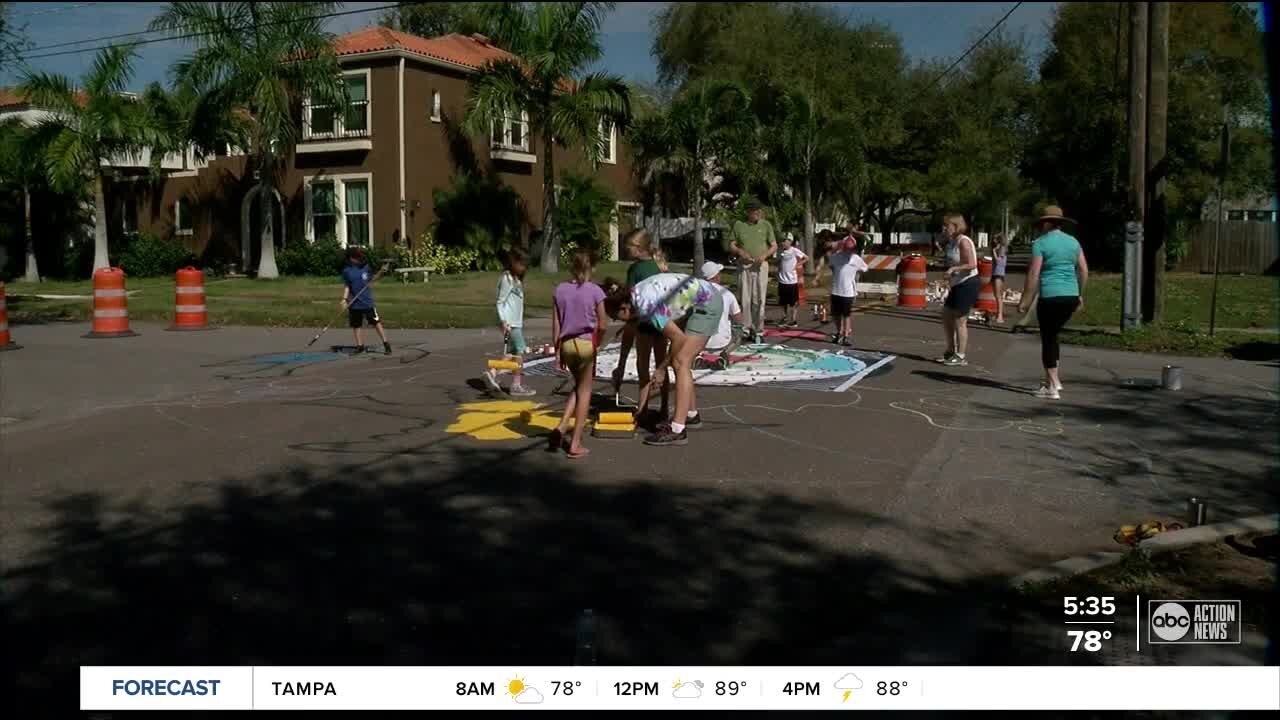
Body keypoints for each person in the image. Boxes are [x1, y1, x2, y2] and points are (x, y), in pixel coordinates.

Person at [603, 272, 724, 447]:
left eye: (615, 317)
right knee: (681, 361)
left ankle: (677, 430)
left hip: (707, 303)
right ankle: (690, 415)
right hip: (696, 301)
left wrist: (660, 369)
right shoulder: (635, 296)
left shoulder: (646, 305)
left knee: (680, 361)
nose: (616, 321)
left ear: (624, 308)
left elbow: (678, 338)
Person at [1018, 205, 1088, 400]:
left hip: (1050, 296)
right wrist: (1080, 294)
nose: (1040, 227)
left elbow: (1034, 274)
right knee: (1054, 336)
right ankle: (1052, 381)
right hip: (1070, 296)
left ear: (1047, 223)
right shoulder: (1073, 242)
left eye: (1042, 224)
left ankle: (1053, 386)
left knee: (1048, 339)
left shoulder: (1040, 243)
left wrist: (1026, 300)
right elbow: (1083, 270)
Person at [551, 251, 608, 458]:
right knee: (585, 392)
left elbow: (556, 322)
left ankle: (562, 426)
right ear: (591, 268)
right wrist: (598, 342)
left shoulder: (560, 290)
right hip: (585, 344)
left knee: (578, 386)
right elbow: (602, 323)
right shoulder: (595, 291)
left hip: (566, 344)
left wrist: (557, 350)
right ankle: (575, 443)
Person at [613, 229, 670, 422]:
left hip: (644, 321)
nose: (626, 250)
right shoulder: (659, 265)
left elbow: (630, 298)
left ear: (637, 248)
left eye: (628, 247)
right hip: (662, 320)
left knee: (643, 365)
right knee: (662, 363)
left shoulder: (635, 269)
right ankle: (664, 408)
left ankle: (643, 408)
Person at [727, 197, 777, 344]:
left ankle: (758, 330)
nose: (757, 213)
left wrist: (764, 255)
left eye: (759, 210)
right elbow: (731, 244)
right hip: (744, 266)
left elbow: (774, 245)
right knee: (745, 299)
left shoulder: (766, 225)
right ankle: (746, 329)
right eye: (754, 210)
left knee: (759, 299)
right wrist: (739, 251)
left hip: (761, 266)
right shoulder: (739, 225)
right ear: (748, 211)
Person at [487, 249, 535, 397]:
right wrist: (503, 321)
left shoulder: (516, 280)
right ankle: (516, 385)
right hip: (510, 323)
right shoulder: (507, 279)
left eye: (525, 265)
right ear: (513, 262)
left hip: (516, 322)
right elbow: (500, 302)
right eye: (520, 264)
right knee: (519, 352)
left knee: (511, 354)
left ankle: (492, 374)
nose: (523, 267)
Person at [936, 214, 980, 366]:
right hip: (957, 283)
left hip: (968, 283)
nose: (944, 228)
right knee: (947, 314)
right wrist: (950, 275)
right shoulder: (952, 242)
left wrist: (954, 268)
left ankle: (961, 355)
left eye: (947, 226)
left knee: (960, 320)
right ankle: (950, 350)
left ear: (955, 226)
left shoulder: (963, 241)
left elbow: (972, 264)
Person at [340, 246, 391, 355]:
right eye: (357, 257)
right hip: (354, 303)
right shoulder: (347, 271)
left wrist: (381, 272)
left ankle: (386, 344)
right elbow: (347, 286)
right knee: (356, 325)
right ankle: (360, 346)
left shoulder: (365, 268)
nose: (360, 259)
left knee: (376, 322)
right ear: (351, 258)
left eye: (360, 257)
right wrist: (344, 299)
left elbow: (372, 279)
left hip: (367, 302)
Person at [826, 230, 868, 346]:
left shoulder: (855, 258)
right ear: (843, 247)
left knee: (846, 315)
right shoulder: (835, 257)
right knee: (835, 314)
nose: (849, 250)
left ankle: (846, 336)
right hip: (836, 290)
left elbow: (865, 268)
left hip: (848, 292)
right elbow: (831, 266)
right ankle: (839, 333)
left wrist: (856, 272)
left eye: (851, 248)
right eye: (847, 248)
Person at [775, 232, 807, 328]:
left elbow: (806, 258)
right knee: (783, 302)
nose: (783, 243)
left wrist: (797, 265)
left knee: (793, 302)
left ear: (790, 241)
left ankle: (793, 320)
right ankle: (784, 318)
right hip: (782, 280)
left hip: (792, 281)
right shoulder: (780, 251)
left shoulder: (794, 250)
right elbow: (777, 262)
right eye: (782, 241)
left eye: (785, 241)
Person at [810, 228, 834, 322]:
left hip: (831, 274)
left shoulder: (830, 248)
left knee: (828, 297)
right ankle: (822, 315)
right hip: (827, 274)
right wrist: (816, 277)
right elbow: (820, 265)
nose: (829, 241)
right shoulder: (823, 251)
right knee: (826, 296)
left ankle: (820, 312)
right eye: (828, 239)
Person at [991, 233, 1009, 325]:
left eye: (995, 239)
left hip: (999, 273)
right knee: (996, 295)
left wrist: (994, 251)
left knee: (998, 296)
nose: (993, 240)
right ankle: (997, 313)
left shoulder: (1002, 249)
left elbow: (998, 261)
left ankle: (1000, 316)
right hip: (994, 273)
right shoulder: (998, 248)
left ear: (999, 240)